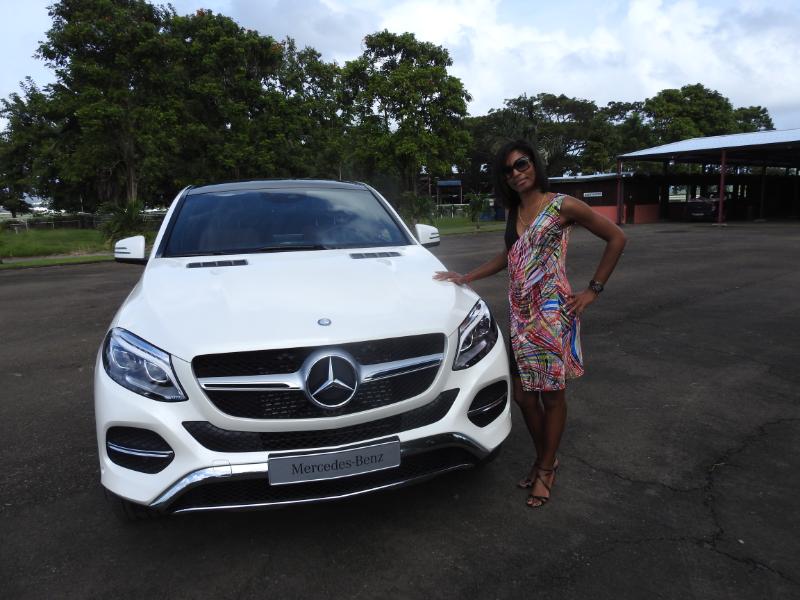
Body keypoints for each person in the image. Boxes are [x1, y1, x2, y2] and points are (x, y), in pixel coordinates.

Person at [434, 140, 626, 508]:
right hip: (520, 316)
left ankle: (545, 468)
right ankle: (546, 460)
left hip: (552, 314)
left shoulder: (562, 205)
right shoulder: (514, 210)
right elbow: (510, 255)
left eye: (521, 164)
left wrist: (593, 291)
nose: (516, 173)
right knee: (523, 396)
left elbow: (616, 237)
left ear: (535, 164)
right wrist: (467, 276)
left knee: (552, 397)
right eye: (508, 170)